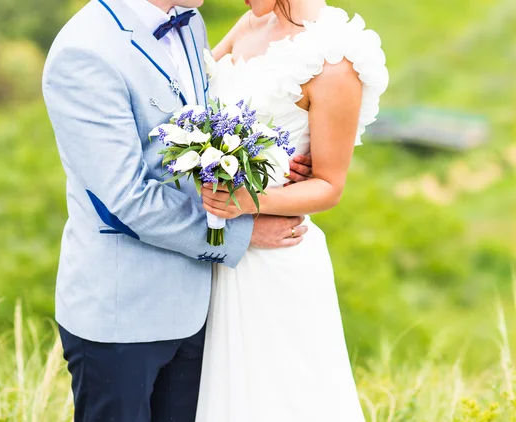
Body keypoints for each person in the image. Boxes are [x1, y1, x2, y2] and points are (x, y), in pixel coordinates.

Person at [41, 0, 314, 420]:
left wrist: (276, 161)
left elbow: (209, 131)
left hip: (202, 306)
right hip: (123, 315)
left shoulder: (190, 23)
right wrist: (244, 234)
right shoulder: (84, 51)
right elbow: (127, 198)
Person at [196, 1, 389, 421]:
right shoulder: (252, 20)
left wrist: (249, 200)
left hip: (276, 261)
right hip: (214, 252)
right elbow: (195, 108)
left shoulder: (337, 60)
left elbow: (329, 186)